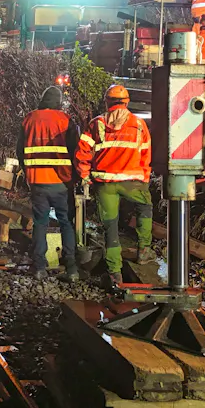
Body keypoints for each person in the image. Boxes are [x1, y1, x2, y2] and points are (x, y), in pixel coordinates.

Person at [75, 84, 154, 287]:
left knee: (110, 227)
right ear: (127, 102)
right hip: (133, 182)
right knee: (145, 207)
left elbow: (82, 153)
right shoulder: (139, 124)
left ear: (107, 102)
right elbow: (146, 153)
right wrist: (144, 176)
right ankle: (144, 250)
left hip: (105, 184)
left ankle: (115, 273)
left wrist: (85, 176)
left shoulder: (97, 124)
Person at [16, 86, 81, 280]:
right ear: (59, 102)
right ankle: (71, 268)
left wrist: (28, 173)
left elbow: (20, 151)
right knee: (66, 223)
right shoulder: (65, 120)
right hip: (62, 182)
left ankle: (39, 267)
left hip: (38, 180)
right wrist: (75, 178)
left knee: (40, 223)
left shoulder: (29, 119)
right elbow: (76, 152)